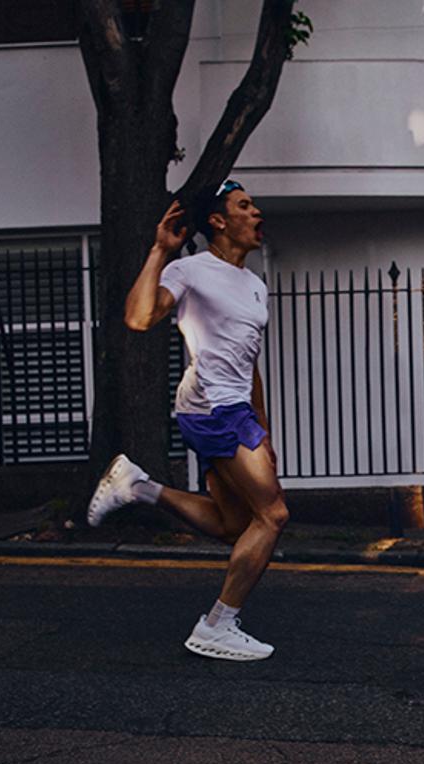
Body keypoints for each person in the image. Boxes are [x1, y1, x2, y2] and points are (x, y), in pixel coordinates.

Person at [87, 179, 289, 662]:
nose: (256, 213)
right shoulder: (190, 270)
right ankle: (217, 625)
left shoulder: (254, 285)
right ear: (218, 221)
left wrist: (263, 431)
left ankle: (138, 487)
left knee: (234, 524)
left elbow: (249, 363)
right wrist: (160, 250)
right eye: (245, 206)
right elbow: (139, 319)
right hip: (213, 408)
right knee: (273, 515)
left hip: (235, 410)